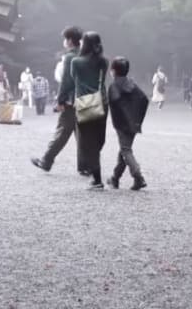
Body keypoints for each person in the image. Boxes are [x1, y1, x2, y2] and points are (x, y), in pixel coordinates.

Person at [30, 27, 83, 171]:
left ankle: (46, 161)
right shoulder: (86, 55)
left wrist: (60, 101)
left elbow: (66, 81)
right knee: (82, 134)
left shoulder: (70, 57)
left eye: (65, 39)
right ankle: (86, 166)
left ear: (70, 40)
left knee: (62, 132)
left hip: (71, 101)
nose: (64, 42)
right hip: (85, 100)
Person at [69, 32, 111, 189]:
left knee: (87, 141)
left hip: (85, 104)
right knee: (99, 139)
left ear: (84, 44)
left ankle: (97, 179)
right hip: (102, 102)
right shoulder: (104, 62)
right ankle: (95, 167)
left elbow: (74, 78)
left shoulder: (76, 62)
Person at [106, 56, 149, 191]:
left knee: (125, 150)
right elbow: (144, 99)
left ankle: (138, 177)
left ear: (113, 71)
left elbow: (115, 103)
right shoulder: (132, 84)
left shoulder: (114, 87)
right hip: (133, 124)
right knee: (124, 150)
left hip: (122, 124)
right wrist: (137, 118)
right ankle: (115, 178)